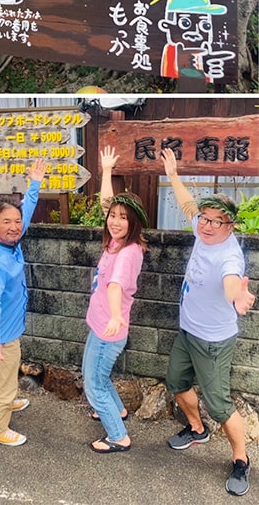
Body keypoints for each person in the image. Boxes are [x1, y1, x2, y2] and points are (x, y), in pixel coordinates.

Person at [160, 147, 255, 496]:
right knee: (175, 381)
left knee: (219, 404)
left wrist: (238, 296)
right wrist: (172, 175)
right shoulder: (202, 229)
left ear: (230, 226)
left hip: (214, 341)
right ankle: (197, 429)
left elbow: (231, 280)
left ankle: (241, 461)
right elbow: (189, 204)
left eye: (218, 221)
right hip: (188, 331)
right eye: (205, 218)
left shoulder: (229, 254)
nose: (208, 225)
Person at [0, 158, 47, 447]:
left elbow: (25, 211)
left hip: (11, 328)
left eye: (16, 222)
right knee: (3, 383)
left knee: (9, 372)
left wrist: (35, 184)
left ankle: (8, 400)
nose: (15, 226)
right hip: (1, 334)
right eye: (6, 222)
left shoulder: (12, 240)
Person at [82, 146, 147, 454]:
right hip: (104, 326)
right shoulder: (119, 242)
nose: (115, 221)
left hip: (109, 331)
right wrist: (106, 172)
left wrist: (115, 316)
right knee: (99, 376)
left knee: (93, 382)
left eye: (124, 218)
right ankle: (116, 409)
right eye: (113, 217)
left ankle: (118, 435)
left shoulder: (126, 253)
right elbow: (108, 204)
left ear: (134, 223)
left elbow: (115, 286)